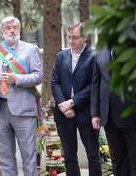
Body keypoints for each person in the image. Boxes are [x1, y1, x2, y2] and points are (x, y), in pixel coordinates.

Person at [0, 16, 43, 176]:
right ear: (2, 33)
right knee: (4, 157)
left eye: (15, 27)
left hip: (24, 110)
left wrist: (16, 79)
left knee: (29, 156)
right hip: (0, 111)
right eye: (8, 28)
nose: (12, 30)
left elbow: (38, 76)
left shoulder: (30, 49)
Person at [51, 22, 101, 176]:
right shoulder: (61, 56)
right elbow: (55, 81)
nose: (70, 40)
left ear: (85, 37)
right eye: (69, 37)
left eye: (74, 37)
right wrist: (63, 106)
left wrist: (73, 103)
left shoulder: (94, 56)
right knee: (69, 156)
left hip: (86, 112)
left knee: (93, 155)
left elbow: (94, 85)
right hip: (63, 113)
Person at [91, 46, 136, 176]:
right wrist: (95, 113)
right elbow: (96, 84)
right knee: (117, 163)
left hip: (132, 113)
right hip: (109, 115)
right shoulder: (100, 51)